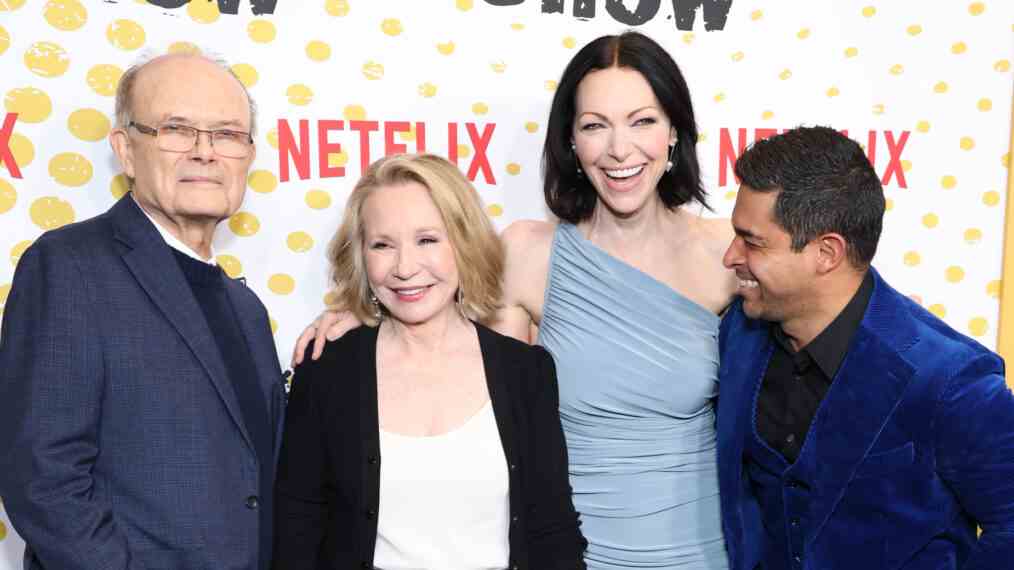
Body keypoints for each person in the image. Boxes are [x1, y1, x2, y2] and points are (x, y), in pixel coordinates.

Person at [295, 32, 736, 569]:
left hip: (698, 549)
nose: (620, 148)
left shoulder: (729, 255)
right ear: (571, 141)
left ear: (675, 132)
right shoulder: (529, 254)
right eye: (595, 125)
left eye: (641, 120)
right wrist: (356, 314)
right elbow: (454, 353)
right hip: (568, 550)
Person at [0, 52, 285, 570]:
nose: (206, 153)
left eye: (226, 134)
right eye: (177, 129)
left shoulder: (246, 308)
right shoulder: (68, 266)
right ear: (125, 150)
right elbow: (42, 477)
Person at [718, 125, 1014, 569]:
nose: (731, 256)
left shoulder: (949, 379)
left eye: (753, 241)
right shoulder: (739, 334)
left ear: (826, 253)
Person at [273, 153, 587, 570]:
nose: (405, 268)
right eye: (382, 245)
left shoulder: (525, 372)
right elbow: (297, 531)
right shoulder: (326, 370)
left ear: (464, 243)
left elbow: (553, 530)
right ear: (362, 258)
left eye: (427, 240)